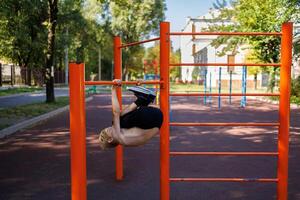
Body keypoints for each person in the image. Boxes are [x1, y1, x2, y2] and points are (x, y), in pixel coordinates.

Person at [99, 79, 163, 149]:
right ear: (110, 139)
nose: (108, 128)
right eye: (107, 131)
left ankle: (143, 99)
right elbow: (116, 112)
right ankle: (143, 99)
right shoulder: (118, 136)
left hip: (158, 119)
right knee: (116, 120)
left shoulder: (124, 141)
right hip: (147, 117)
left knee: (119, 122)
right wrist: (114, 88)